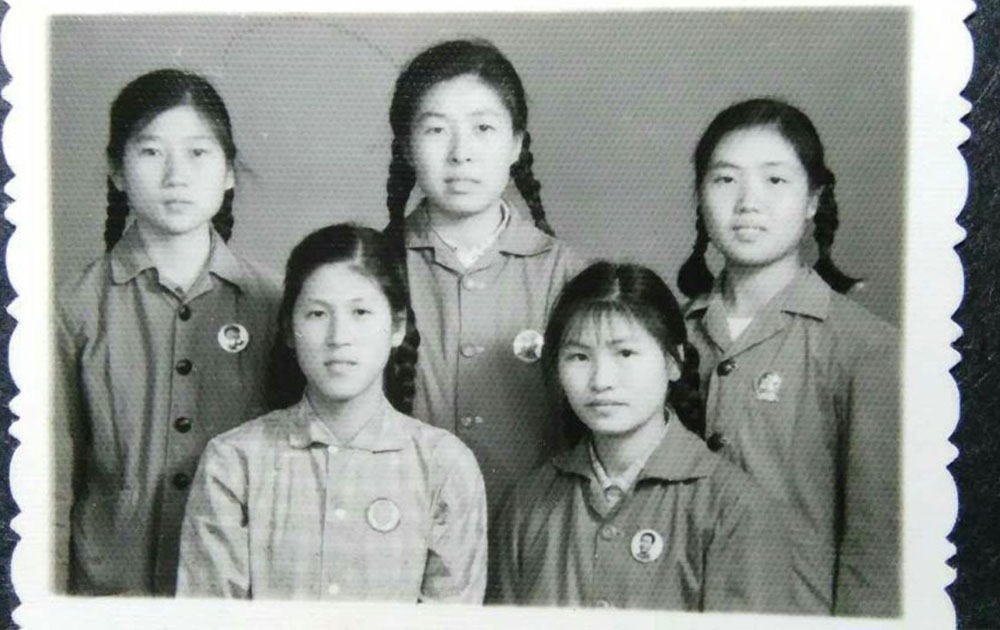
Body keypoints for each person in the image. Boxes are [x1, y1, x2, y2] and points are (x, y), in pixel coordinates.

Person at [53, 69, 279, 595]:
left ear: (228, 171)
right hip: (108, 598)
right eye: (152, 152)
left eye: (198, 152)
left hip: (236, 594)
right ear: (116, 170)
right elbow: (47, 481)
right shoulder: (72, 308)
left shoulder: (274, 303)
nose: (177, 175)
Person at [177, 225, 487, 602]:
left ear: (397, 327)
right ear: (289, 330)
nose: (339, 336)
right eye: (317, 313)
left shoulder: (445, 465)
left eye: (360, 312)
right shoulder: (233, 462)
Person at [676, 98, 900, 616]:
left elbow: (876, 551)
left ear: (813, 200)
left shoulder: (865, 348)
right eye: (725, 179)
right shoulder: (665, 335)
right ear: (701, 198)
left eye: (775, 180)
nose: (748, 202)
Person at [489, 262, 791, 612]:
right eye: (579, 356)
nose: (601, 380)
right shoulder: (526, 505)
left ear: (674, 361)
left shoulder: (735, 508)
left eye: (625, 353)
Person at [383, 39, 579, 520]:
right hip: (398, 532)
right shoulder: (369, 267)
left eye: (483, 128)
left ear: (516, 144)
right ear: (406, 146)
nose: (461, 153)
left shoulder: (567, 275)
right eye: (436, 130)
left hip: (533, 534)